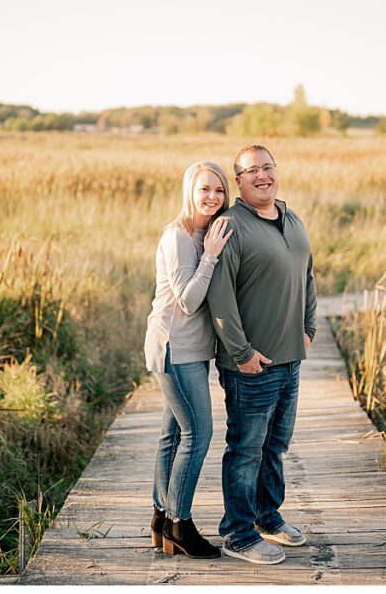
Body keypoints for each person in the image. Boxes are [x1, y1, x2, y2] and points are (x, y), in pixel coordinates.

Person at [206, 145, 316, 565]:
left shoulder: (291, 218)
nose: (262, 175)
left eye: (267, 167)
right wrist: (242, 352)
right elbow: (221, 299)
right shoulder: (231, 225)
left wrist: (308, 328)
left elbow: (307, 276)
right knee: (246, 448)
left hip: (291, 360)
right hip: (251, 365)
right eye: (251, 170)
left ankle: (268, 518)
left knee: (276, 446)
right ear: (238, 180)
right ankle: (237, 533)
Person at [144, 161, 233, 559]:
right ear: (189, 193)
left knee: (173, 435)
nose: (212, 197)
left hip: (191, 349)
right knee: (198, 434)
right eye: (204, 190)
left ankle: (161, 519)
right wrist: (211, 256)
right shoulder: (180, 236)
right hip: (175, 348)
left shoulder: (206, 231)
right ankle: (180, 522)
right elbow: (187, 299)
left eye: (218, 190)